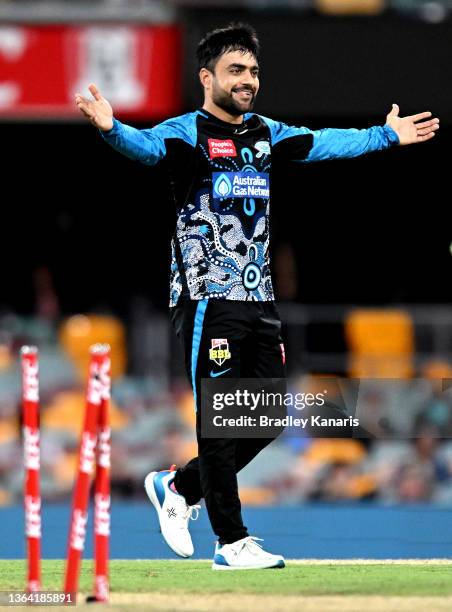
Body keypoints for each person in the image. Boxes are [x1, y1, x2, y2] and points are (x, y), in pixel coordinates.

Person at [75, 23, 439, 570]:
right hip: (206, 298)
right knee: (221, 421)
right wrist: (110, 129)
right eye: (236, 71)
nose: (248, 81)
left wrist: (385, 136)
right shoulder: (185, 133)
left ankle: (178, 487)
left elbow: (324, 143)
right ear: (207, 77)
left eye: (253, 71)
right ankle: (231, 542)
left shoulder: (266, 132)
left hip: (259, 299)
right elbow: (147, 149)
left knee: (264, 420)